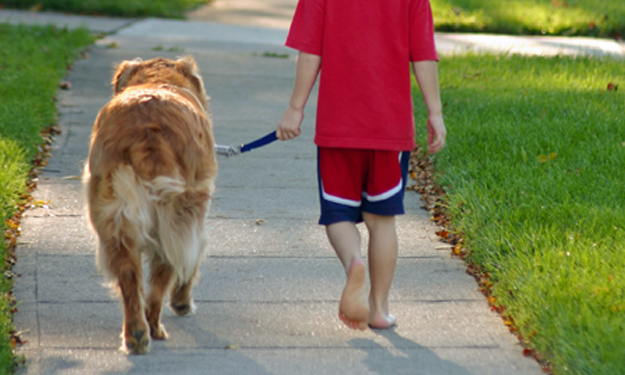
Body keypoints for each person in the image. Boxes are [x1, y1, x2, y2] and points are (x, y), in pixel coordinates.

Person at [277, 0, 446, 330]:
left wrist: (295, 108)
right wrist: (435, 112)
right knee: (382, 221)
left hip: (337, 126)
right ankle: (379, 310)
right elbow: (424, 54)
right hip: (390, 127)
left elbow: (311, 51)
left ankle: (354, 261)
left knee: (338, 214)